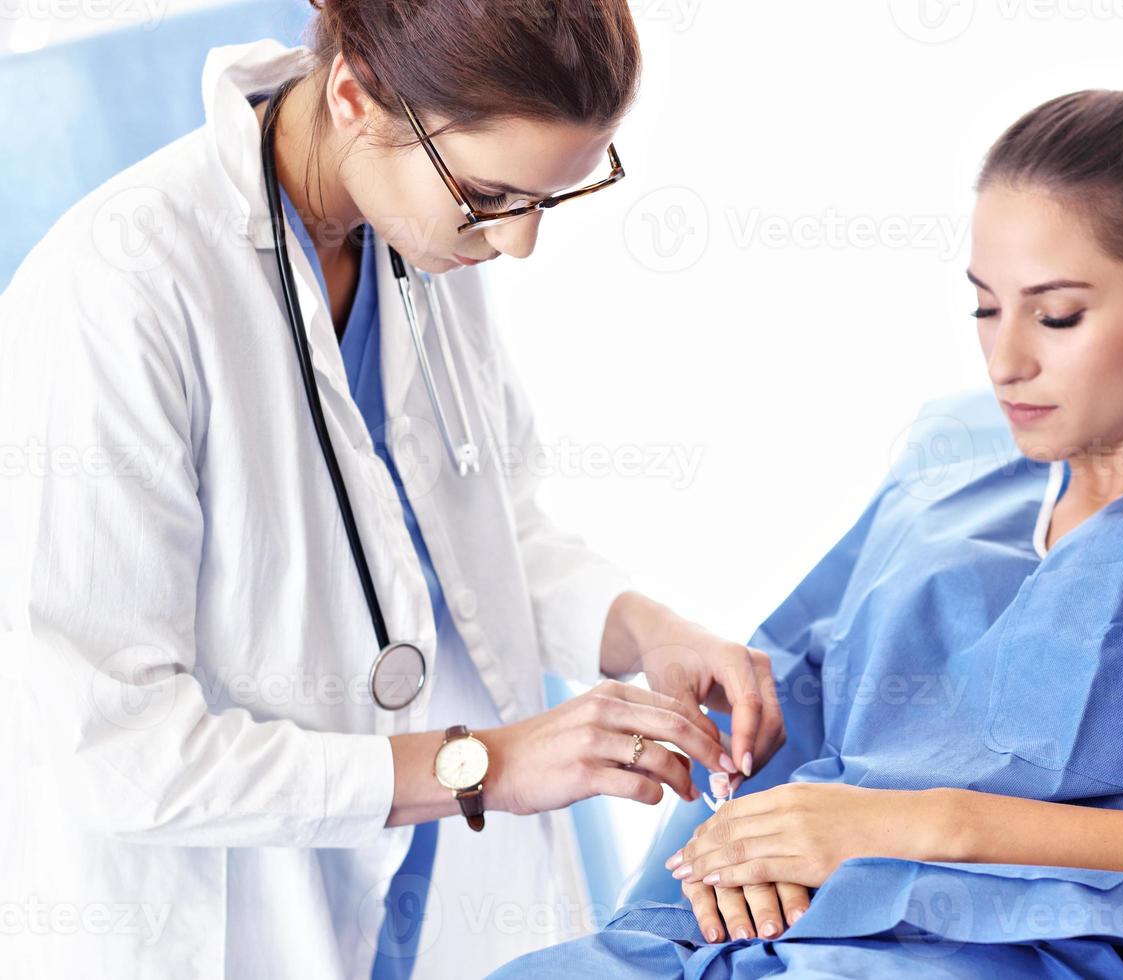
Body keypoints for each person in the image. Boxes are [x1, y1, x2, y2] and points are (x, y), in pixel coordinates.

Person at [487, 63, 1123, 978]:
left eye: (1057, 314)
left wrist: (926, 822)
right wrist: (749, 852)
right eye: (986, 310)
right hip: (774, 940)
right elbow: (778, 750)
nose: (1006, 361)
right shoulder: (941, 498)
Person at [0, 1, 785, 977]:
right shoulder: (119, 289)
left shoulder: (417, 228)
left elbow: (481, 534)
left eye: (549, 199)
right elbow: (112, 748)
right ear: (353, 95)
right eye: (497, 194)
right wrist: (485, 764)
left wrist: (646, 631)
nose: (518, 244)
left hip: (419, 894)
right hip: (222, 921)